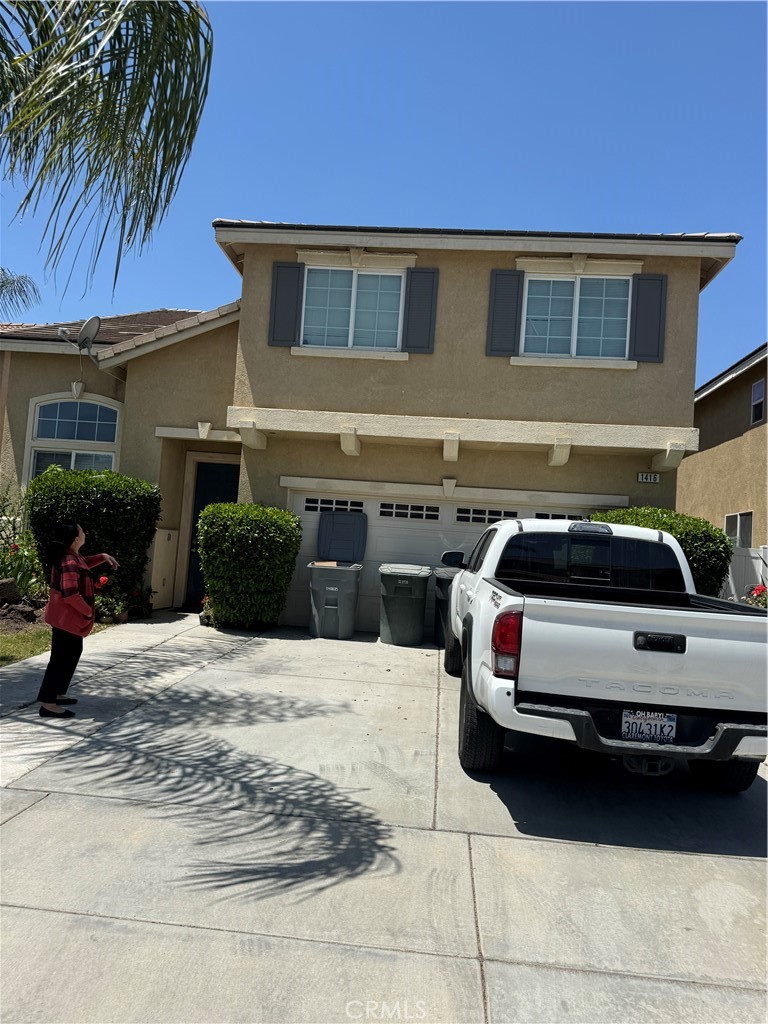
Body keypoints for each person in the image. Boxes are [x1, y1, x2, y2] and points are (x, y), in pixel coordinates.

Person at [36, 522, 119, 718]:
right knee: (60, 659)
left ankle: (56, 694)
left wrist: (102, 557)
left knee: (72, 652)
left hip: (67, 619)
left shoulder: (73, 557)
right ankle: (48, 704)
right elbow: (71, 594)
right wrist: (88, 611)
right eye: (81, 531)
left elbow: (84, 564)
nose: (84, 533)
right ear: (75, 539)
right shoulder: (69, 561)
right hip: (66, 619)